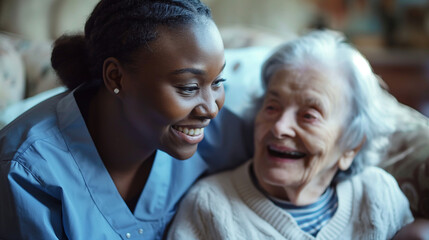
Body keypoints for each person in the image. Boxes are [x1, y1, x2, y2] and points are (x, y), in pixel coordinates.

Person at [0, 0, 253, 239]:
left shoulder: (219, 133)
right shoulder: (27, 172)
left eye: (218, 81)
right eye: (188, 87)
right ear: (116, 78)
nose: (210, 109)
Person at [167, 30, 416, 239]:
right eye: (272, 107)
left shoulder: (377, 195)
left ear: (351, 145)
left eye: (309, 116)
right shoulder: (209, 207)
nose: (279, 127)